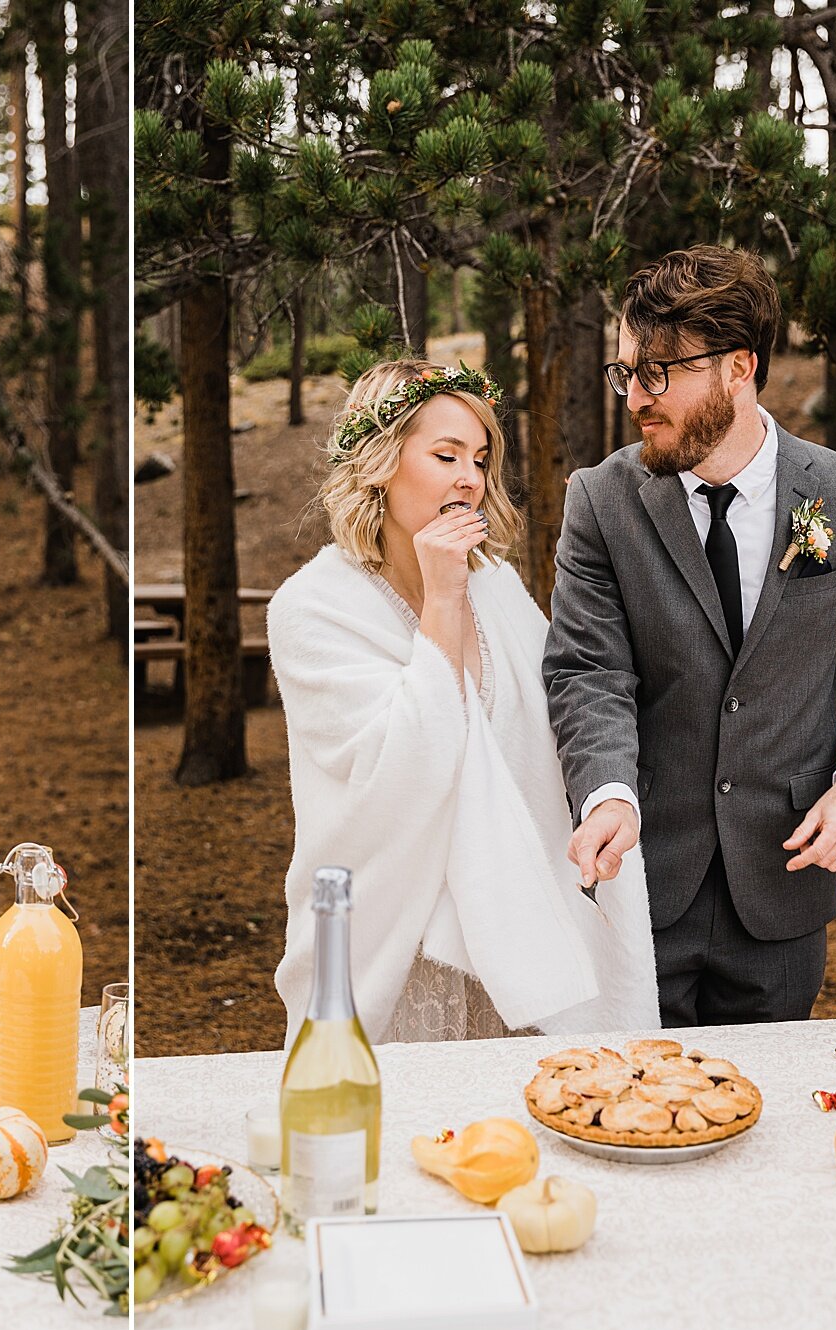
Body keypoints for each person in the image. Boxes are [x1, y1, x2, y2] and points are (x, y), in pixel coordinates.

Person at [545, 245, 836, 1028]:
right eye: (626, 371)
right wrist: (606, 794)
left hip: (784, 887)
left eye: (659, 372)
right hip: (644, 879)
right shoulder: (600, 501)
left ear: (739, 367)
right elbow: (586, 671)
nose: (635, 397)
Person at [267, 359, 659, 1045]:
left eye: (480, 459)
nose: (470, 479)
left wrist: (607, 795)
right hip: (405, 942)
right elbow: (408, 769)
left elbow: (559, 713)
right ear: (380, 463)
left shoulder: (497, 584)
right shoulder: (310, 609)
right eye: (446, 454)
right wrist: (443, 595)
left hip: (516, 925)